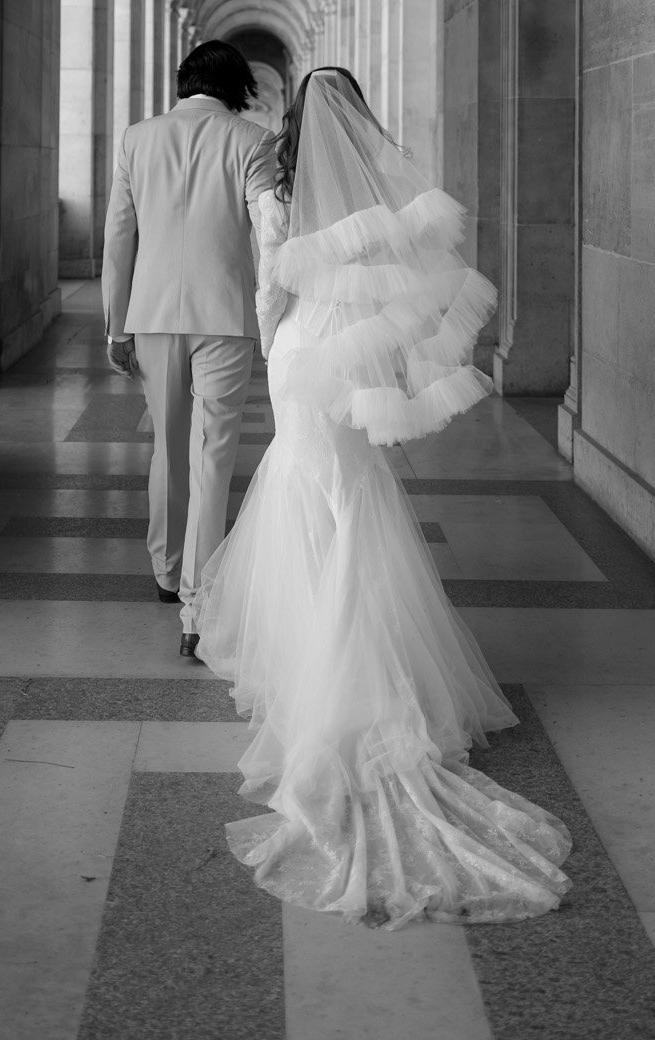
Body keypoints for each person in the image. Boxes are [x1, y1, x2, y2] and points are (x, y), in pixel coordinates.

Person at [193, 67, 572, 925]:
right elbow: (407, 282)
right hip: (350, 352)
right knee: (348, 487)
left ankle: (318, 660)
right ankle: (348, 645)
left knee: (304, 482)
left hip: (297, 348)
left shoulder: (279, 181)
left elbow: (269, 280)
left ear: (296, 119)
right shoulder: (377, 187)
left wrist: (266, 340)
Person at [102, 39, 276, 654]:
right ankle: (202, 594)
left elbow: (119, 235)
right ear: (237, 87)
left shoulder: (137, 138)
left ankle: (166, 573)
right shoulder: (253, 140)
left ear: (183, 82)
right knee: (213, 453)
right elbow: (267, 235)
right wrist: (275, 317)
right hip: (225, 315)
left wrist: (116, 324)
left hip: (151, 314)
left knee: (168, 446)